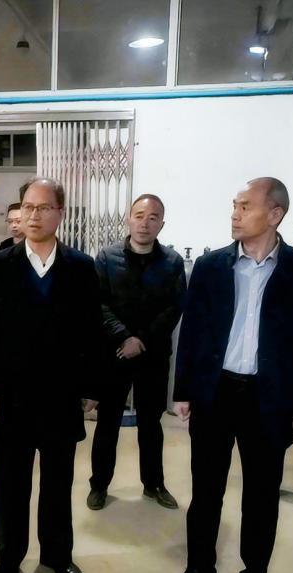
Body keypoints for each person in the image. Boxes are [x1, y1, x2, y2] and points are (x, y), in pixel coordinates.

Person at [163, 177, 293, 573]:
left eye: (245, 206)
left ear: (274, 215)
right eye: (234, 206)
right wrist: (183, 391)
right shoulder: (212, 266)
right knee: (206, 491)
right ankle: (199, 570)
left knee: (261, 496)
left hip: (269, 399)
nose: (235, 214)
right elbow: (193, 331)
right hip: (216, 393)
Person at [0, 177, 103, 573]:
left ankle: (57, 555)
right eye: (28, 207)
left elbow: (92, 331)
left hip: (62, 395)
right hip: (13, 396)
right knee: (11, 484)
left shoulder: (81, 267)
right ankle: (8, 558)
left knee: (58, 482)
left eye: (43, 208)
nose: (33, 215)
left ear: (60, 214)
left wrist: (91, 387)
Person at [88, 194, 186, 511]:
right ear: (129, 219)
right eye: (139, 215)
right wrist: (123, 337)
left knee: (151, 423)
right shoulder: (107, 257)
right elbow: (98, 303)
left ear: (162, 224)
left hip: (153, 355)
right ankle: (99, 485)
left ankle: (153, 484)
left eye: (153, 217)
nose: (145, 223)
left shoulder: (172, 262)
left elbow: (174, 308)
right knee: (107, 422)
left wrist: (140, 340)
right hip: (114, 354)